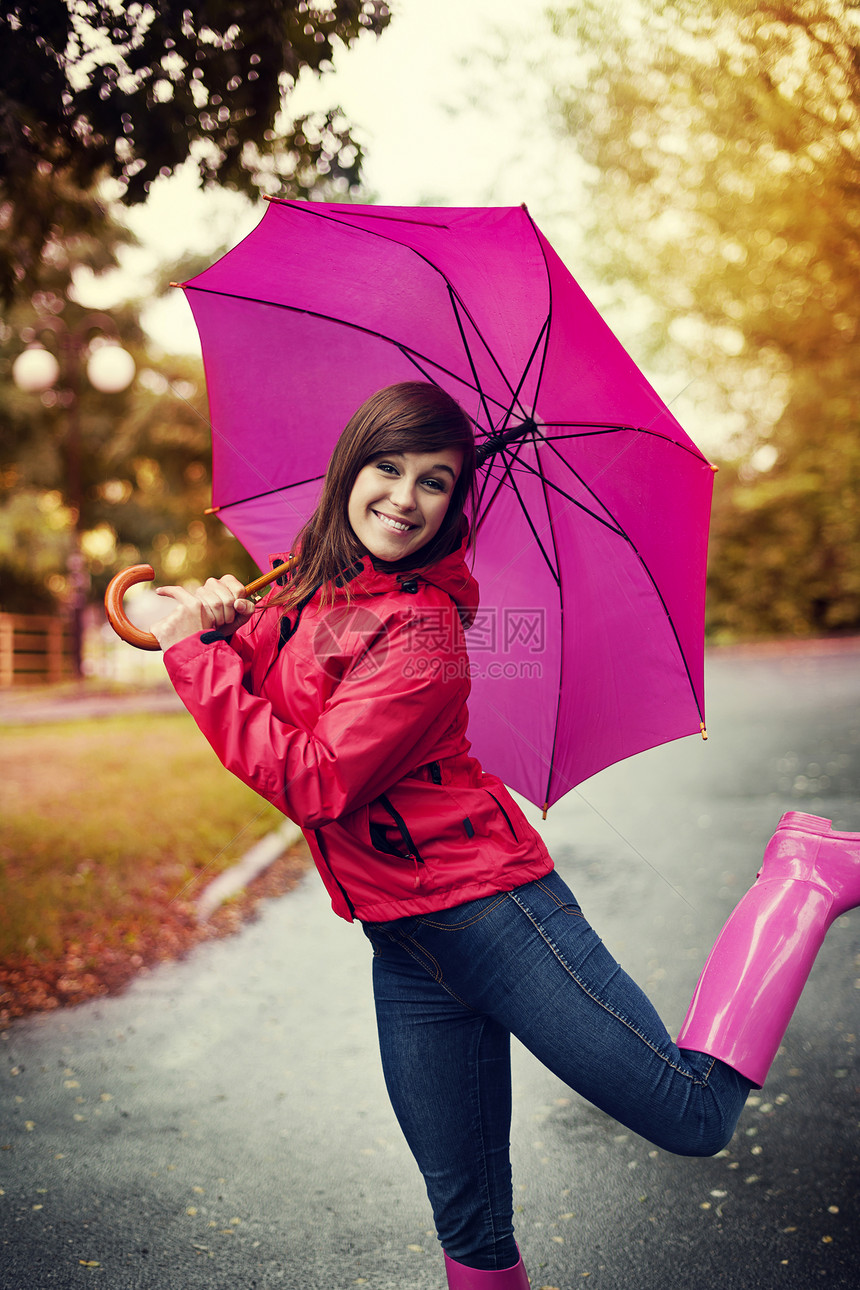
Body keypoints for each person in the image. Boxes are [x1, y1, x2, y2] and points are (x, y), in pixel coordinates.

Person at [152, 381, 860, 1290]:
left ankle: (805, 880)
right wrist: (209, 623)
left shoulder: (427, 630)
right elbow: (256, 684)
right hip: (404, 943)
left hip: (495, 917)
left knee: (692, 1116)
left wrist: (194, 659)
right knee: (471, 1224)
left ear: (457, 504)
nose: (406, 499)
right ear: (349, 470)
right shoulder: (306, 591)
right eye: (389, 467)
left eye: (436, 482)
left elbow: (314, 777)